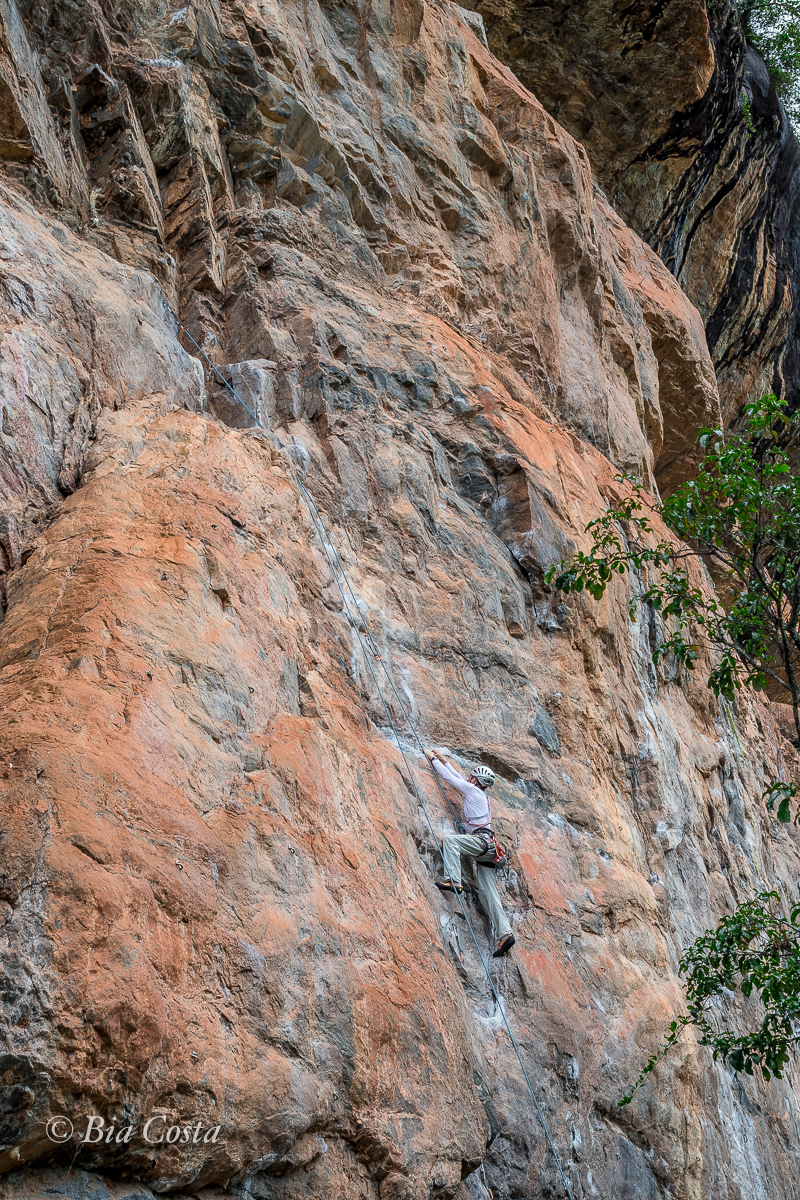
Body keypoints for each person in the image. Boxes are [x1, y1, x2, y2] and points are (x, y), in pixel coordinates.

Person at [425, 748, 515, 958]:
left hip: (482, 843)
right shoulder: (479, 793)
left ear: (476, 781)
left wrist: (433, 762)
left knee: (451, 841)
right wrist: (443, 760)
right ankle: (505, 935)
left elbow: (450, 779)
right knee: (488, 892)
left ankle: (453, 881)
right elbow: (456, 776)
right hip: (489, 849)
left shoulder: (474, 792)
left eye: (472, 777)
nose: (469, 778)